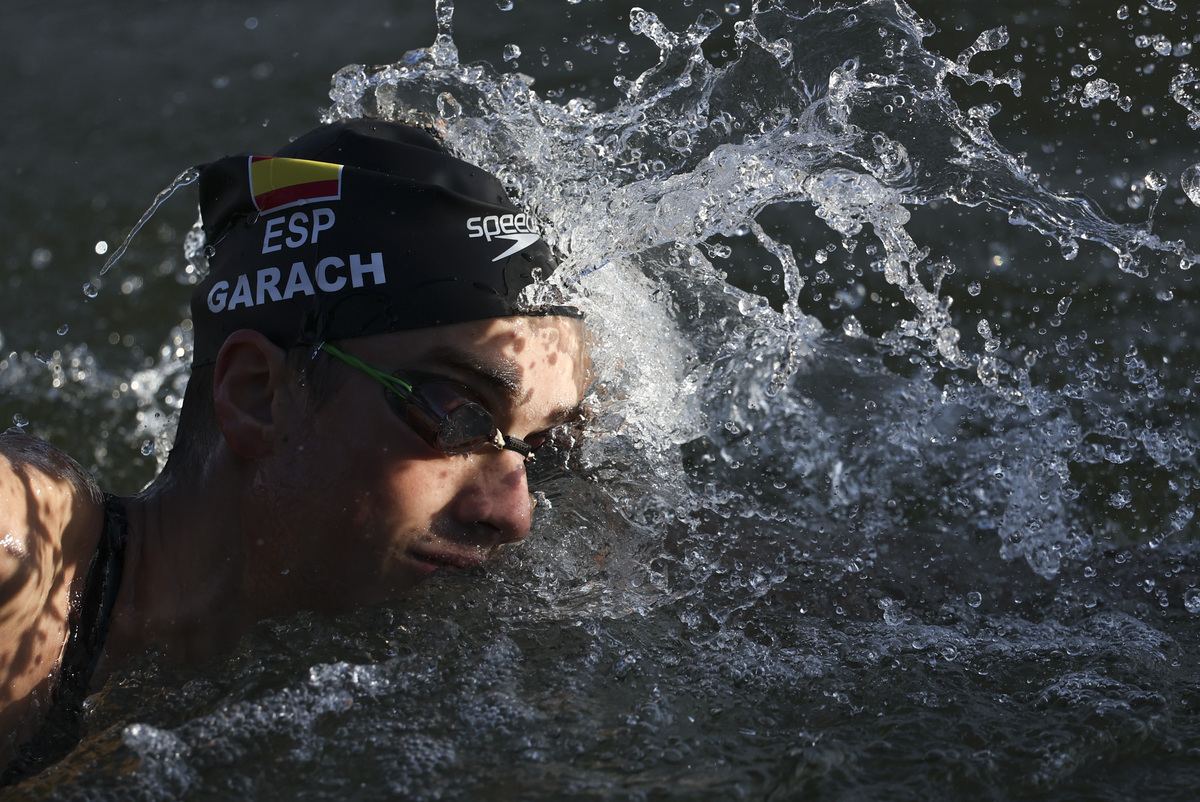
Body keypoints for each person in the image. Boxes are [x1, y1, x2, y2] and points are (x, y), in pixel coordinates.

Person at [0, 118, 589, 780]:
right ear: (259, 395)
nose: (515, 515)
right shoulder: (26, 559)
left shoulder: (328, 695)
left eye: (537, 443)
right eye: (457, 415)